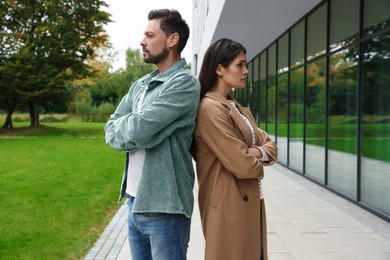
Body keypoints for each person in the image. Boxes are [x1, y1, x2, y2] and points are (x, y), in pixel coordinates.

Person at [104, 9, 200, 260]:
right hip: (134, 203)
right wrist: (135, 129)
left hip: (165, 209)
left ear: (172, 40)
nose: (142, 41)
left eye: (149, 35)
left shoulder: (184, 83)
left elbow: (139, 130)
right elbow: (111, 129)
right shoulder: (141, 84)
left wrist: (134, 128)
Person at [193, 38, 278, 260]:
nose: (246, 71)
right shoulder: (210, 108)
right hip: (227, 205)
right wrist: (252, 157)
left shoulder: (235, 106)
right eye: (239, 65)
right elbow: (243, 165)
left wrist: (257, 152)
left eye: (245, 65)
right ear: (219, 69)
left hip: (249, 199)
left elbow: (270, 143)